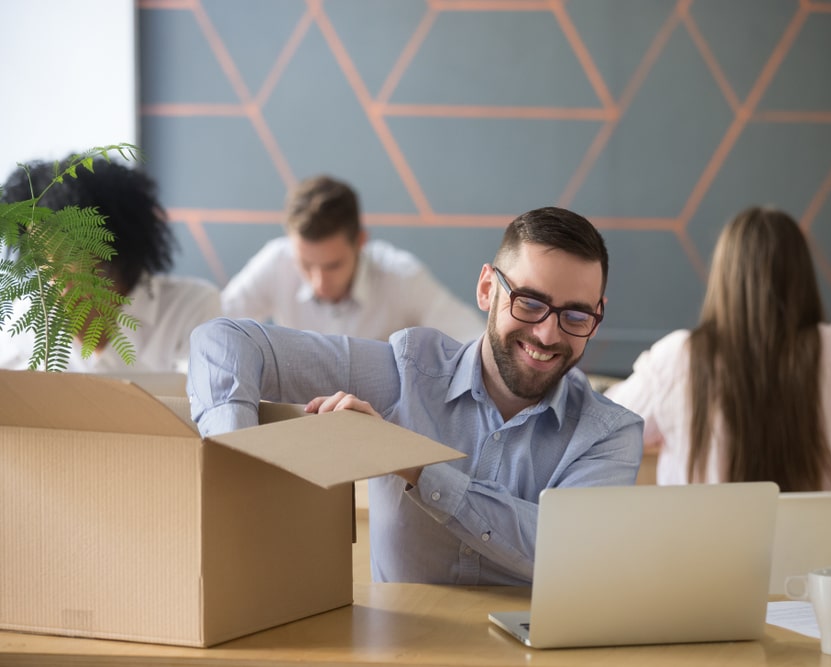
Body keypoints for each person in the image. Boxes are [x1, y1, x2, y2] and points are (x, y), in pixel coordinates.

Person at [188, 206, 644, 585]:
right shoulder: (405, 373)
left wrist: (410, 462)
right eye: (528, 303)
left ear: (597, 316)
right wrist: (234, 469)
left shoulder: (610, 435)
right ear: (488, 289)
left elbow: (570, 551)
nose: (547, 334)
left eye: (576, 316)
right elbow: (223, 341)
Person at [606, 205, 831, 494]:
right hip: (824, 590)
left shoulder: (676, 359)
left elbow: (596, 434)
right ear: (802, 277)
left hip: (704, 591)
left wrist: (661, 426)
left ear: (723, 278)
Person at [0, 155, 221, 373]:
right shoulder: (23, 318)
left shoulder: (191, 308)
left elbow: (197, 401)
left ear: (113, 247)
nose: (47, 271)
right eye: (38, 254)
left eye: (63, 251)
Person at [221, 175, 484, 341]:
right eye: (306, 264)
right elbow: (214, 330)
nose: (318, 283)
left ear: (360, 242)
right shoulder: (276, 262)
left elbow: (474, 339)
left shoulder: (400, 276)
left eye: (333, 265)